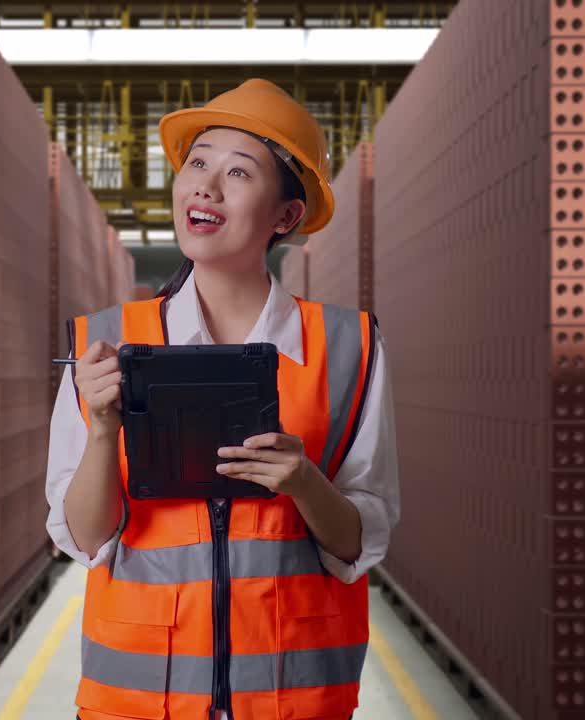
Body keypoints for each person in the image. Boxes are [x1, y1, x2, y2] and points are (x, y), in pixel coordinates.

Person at [45, 78, 400, 720]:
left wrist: (305, 483)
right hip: (137, 704)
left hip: (294, 703)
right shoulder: (106, 342)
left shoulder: (348, 347)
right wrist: (102, 432)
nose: (205, 185)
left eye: (238, 172)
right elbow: (84, 539)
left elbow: (360, 543)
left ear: (285, 216)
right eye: (197, 163)